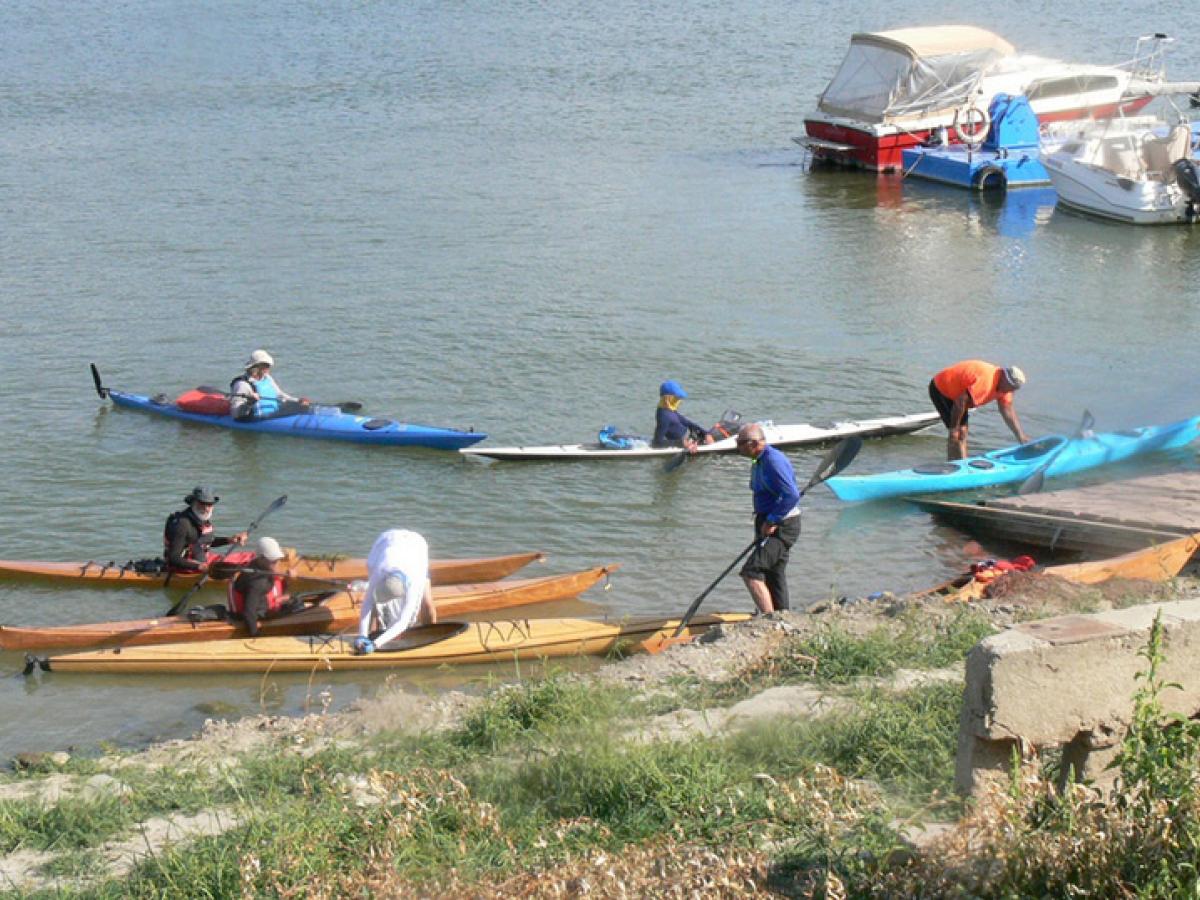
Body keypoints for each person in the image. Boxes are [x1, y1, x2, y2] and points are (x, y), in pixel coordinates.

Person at [736, 423, 801, 614]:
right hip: (767, 520)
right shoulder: (758, 459)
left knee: (751, 571)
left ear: (754, 443)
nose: (737, 447)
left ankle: (769, 619)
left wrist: (772, 520)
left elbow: (791, 495)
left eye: (740, 443)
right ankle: (782, 614)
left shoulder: (773, 461)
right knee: (774, 572)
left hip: (782, 525)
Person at [353, 529, 438, 654]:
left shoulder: (414, 582)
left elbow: (403, 622)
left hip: (416, 546)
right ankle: (370, 637)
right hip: (386, 542)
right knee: (375, 604)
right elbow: (367, 604)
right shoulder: (379, 571)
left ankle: (432, 640)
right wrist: (362, 635)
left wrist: (376, 644)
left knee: (426, 602)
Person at [929, 360, 1029, 460]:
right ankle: (952, 463)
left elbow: (1007, 411)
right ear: (1005, 379)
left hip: (959, 395)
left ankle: (962, 462)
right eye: (1011, 388)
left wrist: (1021, 436)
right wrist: (954, 428)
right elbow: (960, 402)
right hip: (941, 388)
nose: (1011, 391)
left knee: (962, 433)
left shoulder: (1006, 389)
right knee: (957, 433)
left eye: (1014, 389)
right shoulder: (986, 383)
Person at [226, 537, 303, 636]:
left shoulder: (256, 566)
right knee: (298, 604)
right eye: (273, 560)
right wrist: (255, 634)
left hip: (262, 606)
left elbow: (273, 589)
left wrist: (287, 580)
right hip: (259, 615)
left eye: (278, 560)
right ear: (261, 558)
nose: (277, 563)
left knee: (295, 598)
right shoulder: (257, 582)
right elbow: (248, 612)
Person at [163, 486, 247, 574]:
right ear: (193, 503)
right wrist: (198, 566)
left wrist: (229, 540)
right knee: (237, 568)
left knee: (248, 558)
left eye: (209, 504)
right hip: (186, 567)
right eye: (202, 503)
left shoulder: (200, 517)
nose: (206, 508)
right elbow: (173, 558)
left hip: (204, 560)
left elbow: (206, 542)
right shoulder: (182, 525)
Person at [228, 350, 311, 421]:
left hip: (275, 413)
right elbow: (235, 414)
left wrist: (298, 401)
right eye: (267, 365)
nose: (269, 367)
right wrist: (250, 403)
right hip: (259, 419)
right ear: (257, 367)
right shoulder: (242, 385)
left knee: (304, 407)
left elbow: (280, 395)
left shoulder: (267, 378)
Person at [652, 380, 715, 450]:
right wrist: (682, 443)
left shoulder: (670, 409)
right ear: (668, 399)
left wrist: (706, 433)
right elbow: (656, 443)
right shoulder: (663, 416)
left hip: (691, 436)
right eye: (677, 398)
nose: (679, 400)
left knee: (716, 433)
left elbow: (687, 423)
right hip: (685, 442)